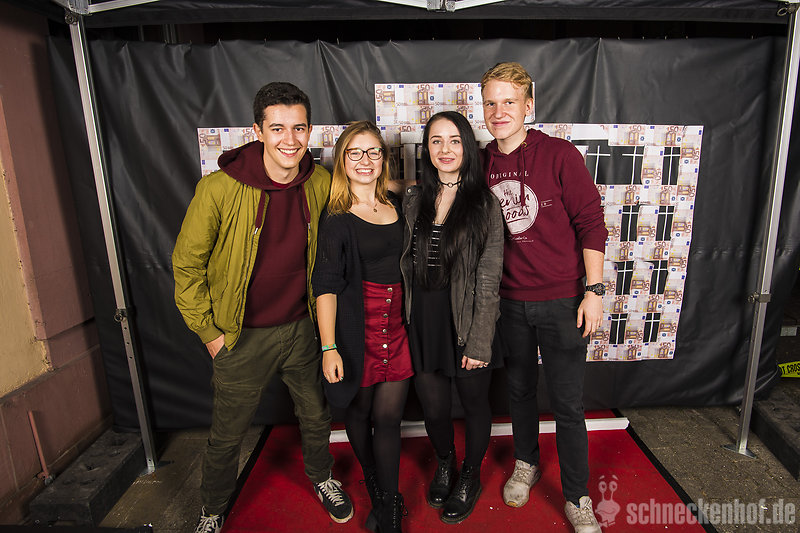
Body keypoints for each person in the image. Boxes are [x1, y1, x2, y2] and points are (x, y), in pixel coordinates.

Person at [172, 82, 353, 533]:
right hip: (241, 336)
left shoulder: (320, 183)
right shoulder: (218, 189)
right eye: (277, 128)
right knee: (227, 434)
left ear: (309, 130)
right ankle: (212, 509)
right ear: (257, 131)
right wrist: (210, 335)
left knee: (316, 415)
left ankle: (323, 477)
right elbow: (187, 266)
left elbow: (362, 205)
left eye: (299, 128)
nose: (290, 140)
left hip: (301, 327)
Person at [480, 62, 608, 533]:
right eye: (491, 103)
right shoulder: (480, 162)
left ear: (528, 106)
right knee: (518, 391)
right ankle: (526, 463)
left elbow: (591, 223)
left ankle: (577, 495)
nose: (499, 112)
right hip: (509, 302)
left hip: (562, 300)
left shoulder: (559, 155)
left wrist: (593, 291)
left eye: (509, 102)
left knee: (568, 404)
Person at [400, 111, 504, 524]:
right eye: (436, 141)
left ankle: (470, 476)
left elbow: (489, 278)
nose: (445, 149)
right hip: (423, 321)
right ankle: (445, 462)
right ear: (426, 149)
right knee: (434, 407)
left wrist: (480, 341)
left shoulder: (484, 203)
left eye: (454, 140)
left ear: (467, 148)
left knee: (475, 403)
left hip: (466, 318)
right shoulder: (413, 199)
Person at [312, 121, 413, 533]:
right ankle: (375, 483)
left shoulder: (398, 204)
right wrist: (329, 347)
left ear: (384, 159)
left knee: (388, 418)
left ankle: (389, 505)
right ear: (342, 160)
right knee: (359, 409)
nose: (365, 160)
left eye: (373, 152)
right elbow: (326, 285)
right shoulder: (336, 218)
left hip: (398, 326)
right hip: (357, 327)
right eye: (355, 153)